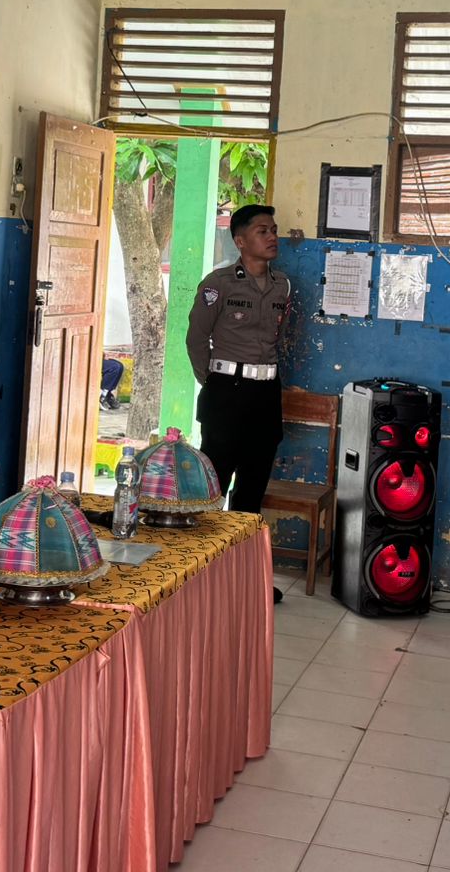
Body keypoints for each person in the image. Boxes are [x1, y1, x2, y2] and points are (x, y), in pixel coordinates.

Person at [187, 204, 294, 602]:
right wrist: (214, 383)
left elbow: (279, 337)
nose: (272, 236)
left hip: (265, 395)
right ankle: (199, 578)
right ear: (240, 241)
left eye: (274, 229)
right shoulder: (218, 284)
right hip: (226, 394)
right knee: (212, 489)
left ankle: (243, 583)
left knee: (251, 495)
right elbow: (196, 339)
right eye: (263, 231)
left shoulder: (282, 286)